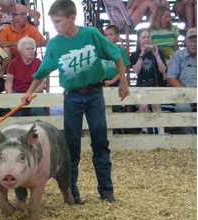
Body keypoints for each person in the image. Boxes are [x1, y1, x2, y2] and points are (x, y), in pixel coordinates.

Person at [22, 0, 129, 203]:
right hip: (71, 96)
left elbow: (116, 55)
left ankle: (106, 192)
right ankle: (72, 194)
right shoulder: (54, 44)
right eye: (53, 22)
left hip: (94, 93)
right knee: (72, 146)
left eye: (58, 21)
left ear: (72, 18)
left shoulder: (91, 34)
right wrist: (29, 91)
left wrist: (123, 83)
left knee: (100, 142)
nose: (55, 26)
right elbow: (42, 72)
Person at [130, 28, 167, 135]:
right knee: (143, 106)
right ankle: (145, 130)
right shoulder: (135, 54)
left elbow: (163, 70)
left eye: (148, 37)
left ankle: (161, 131)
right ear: (139, 40)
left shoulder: (158, 52)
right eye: (143, 37)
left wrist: (157, 56)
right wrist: (142, 54)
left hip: (156, 84)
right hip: (142, 86)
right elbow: (136, 71)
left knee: (156, 105)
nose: (146, 39)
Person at [5, 36, 45, 116]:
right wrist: (9, 95)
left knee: (38, 109)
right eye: (28, 49)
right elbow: (9, 81)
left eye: (32, 49)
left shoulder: (38, 62)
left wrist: (30, 93)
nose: (31, 51)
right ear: (21, 51)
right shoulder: (14, 62)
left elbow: (41, 84)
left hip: (34, 92)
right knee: (12, 108)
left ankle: (37, 126)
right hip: (17, 92)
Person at [167, 28, 197, 134]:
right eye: (191, 41)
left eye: (197, 41)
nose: (194, 44)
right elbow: (171, 78)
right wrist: (186, 92)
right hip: (184, 93)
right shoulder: (178, 55)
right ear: (186, 42)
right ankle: (189, 139)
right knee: (182, 107)